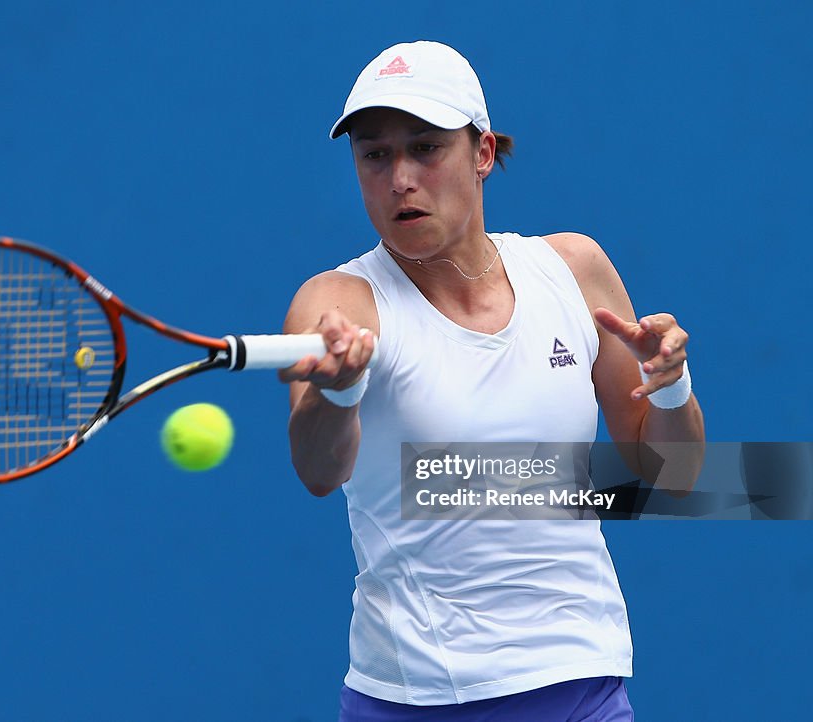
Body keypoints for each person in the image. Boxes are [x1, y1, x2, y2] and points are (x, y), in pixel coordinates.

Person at [278, 41, 705, 721]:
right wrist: (340, 389)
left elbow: (674, 475)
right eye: (375, 155)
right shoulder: (340, 302)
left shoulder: (573, 268)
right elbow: (317, 470)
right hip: (418, 699)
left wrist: (671, 386)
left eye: (424, 148)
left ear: (481, 153)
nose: (399, 179)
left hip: (584, 686)